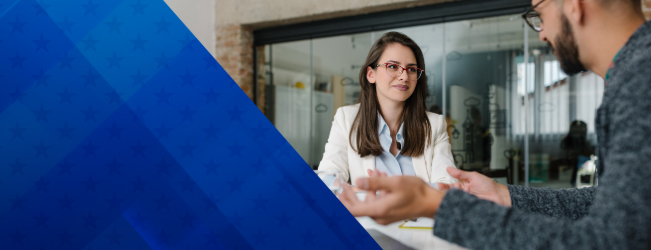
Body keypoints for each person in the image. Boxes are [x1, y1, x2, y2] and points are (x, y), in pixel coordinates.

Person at [339, 0, 651, 249]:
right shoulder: (632, 75)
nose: (541, 33)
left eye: (539, 13)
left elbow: (611, 241)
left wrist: (437, 204)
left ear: (574, 4)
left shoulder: (641, 82)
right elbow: (605, 206)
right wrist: (507, 196)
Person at [318, 32, 457, 186]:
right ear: (371, 74)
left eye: (411, 69)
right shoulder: (346, 119)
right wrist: (364, 194)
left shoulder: (434, 125)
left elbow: (448, 185)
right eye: (392, 66)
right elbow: (327, 179)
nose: (404, 76)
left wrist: (398, 193)